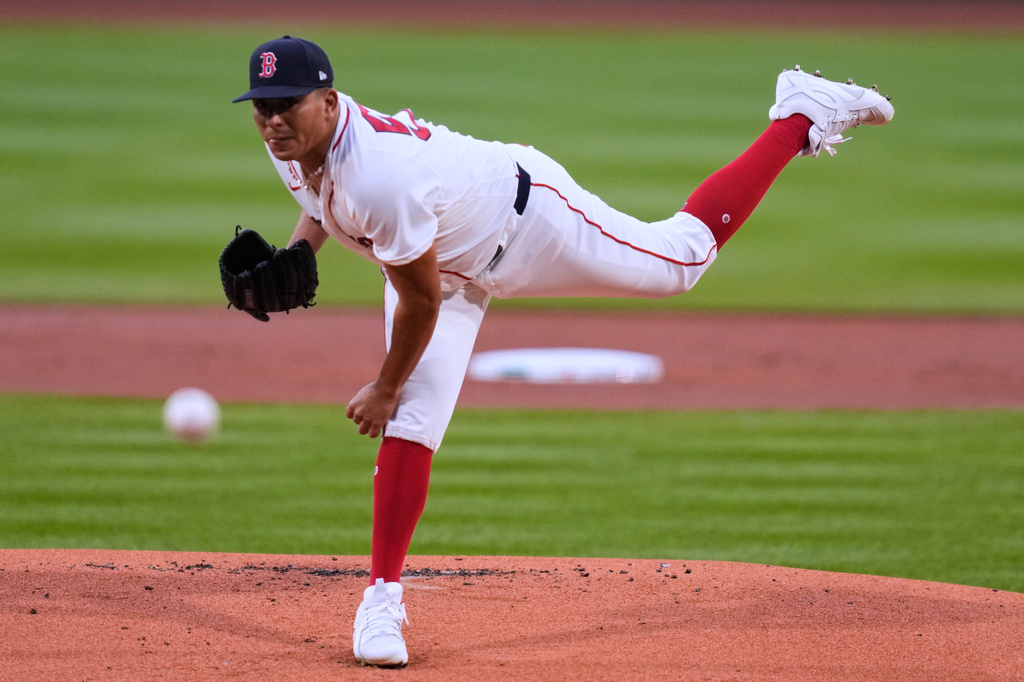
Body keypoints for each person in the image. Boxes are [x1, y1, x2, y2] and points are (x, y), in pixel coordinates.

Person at [231, 35, 893, 668]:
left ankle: (800, 113)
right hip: (443, 258)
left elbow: (422, 302)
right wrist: (298, 254)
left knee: (680, 262)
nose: (272, 120)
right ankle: (381, 600)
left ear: (327, 100)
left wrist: (382, 384)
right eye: (263, 105)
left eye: (286, 103)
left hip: (527, 222)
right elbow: (320, 196)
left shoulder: (381, 179)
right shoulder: (292, 143)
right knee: (413, 423)